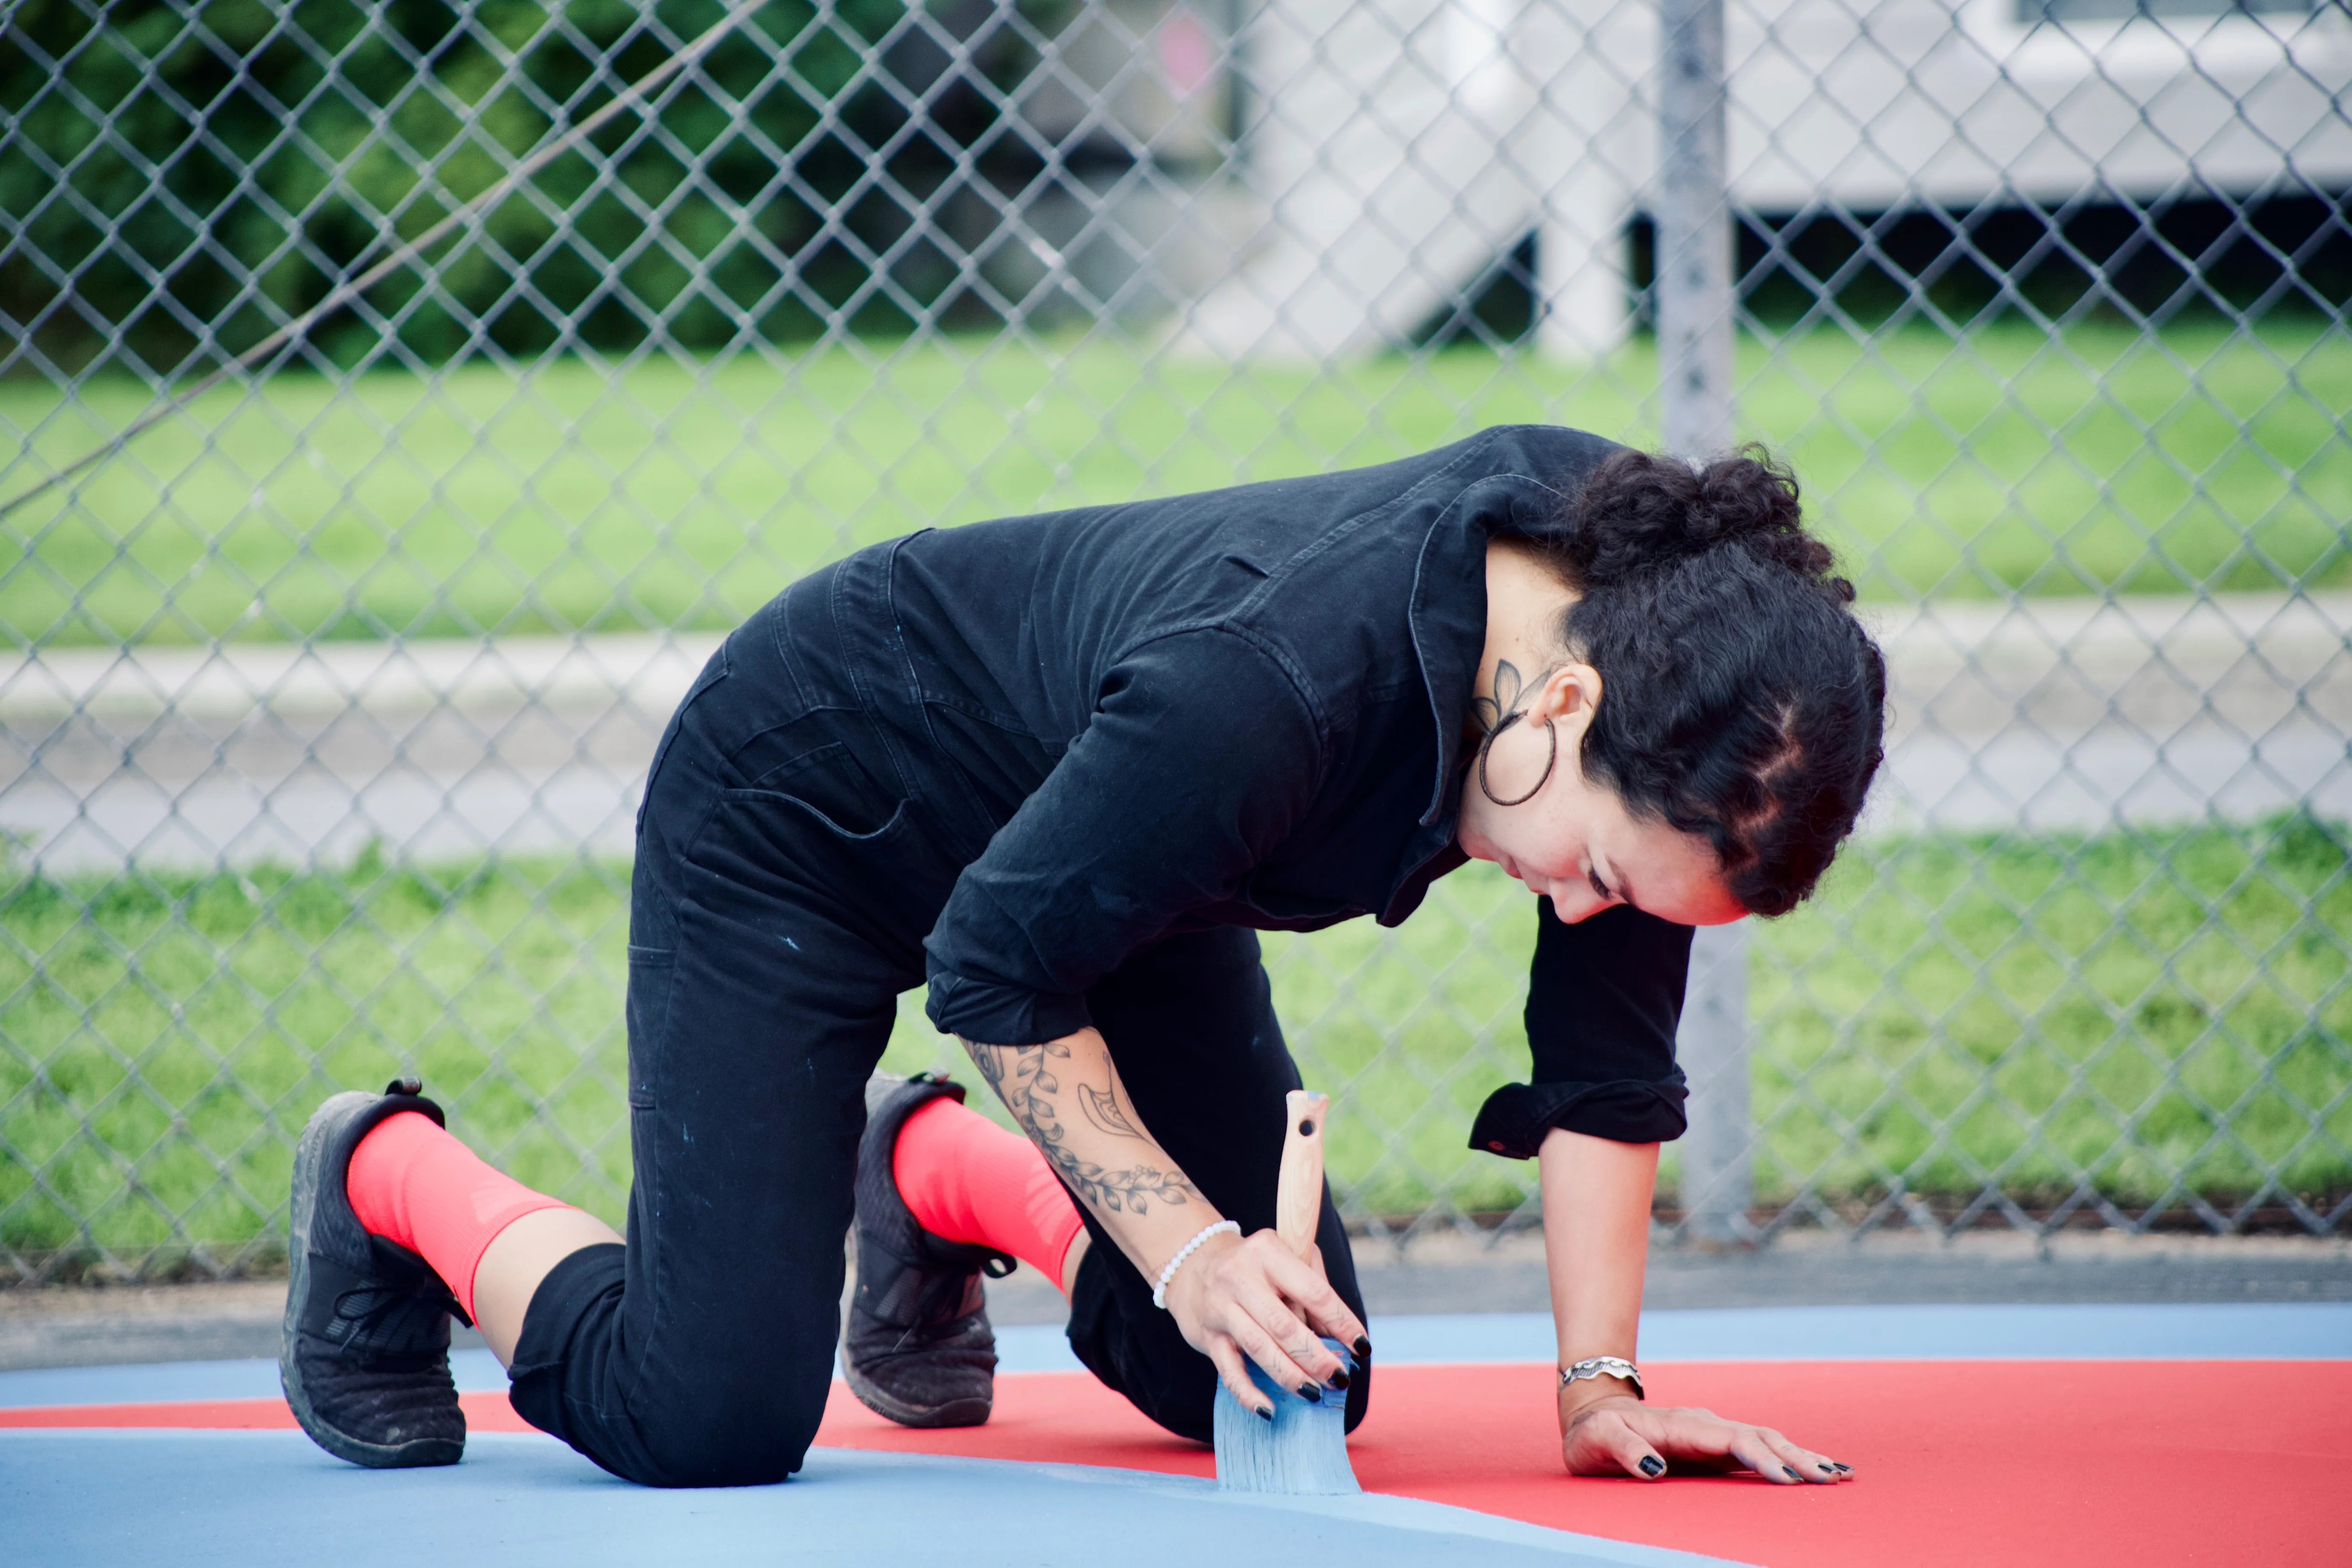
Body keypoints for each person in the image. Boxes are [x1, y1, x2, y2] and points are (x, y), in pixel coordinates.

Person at [279, 425, 1884, 1490]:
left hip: (1126, 866)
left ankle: (930, 1174)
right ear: (1566, 709)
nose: (1591, 915)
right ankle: (388, 1174)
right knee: (707, 1417)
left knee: (1278, 1380)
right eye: (1600, 876)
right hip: (816, 796)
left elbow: (1605, 1063)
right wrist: (1187, 1246)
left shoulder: (1668, 642)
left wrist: (1597, 1390)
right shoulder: (1277, 682)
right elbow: (997, 966)